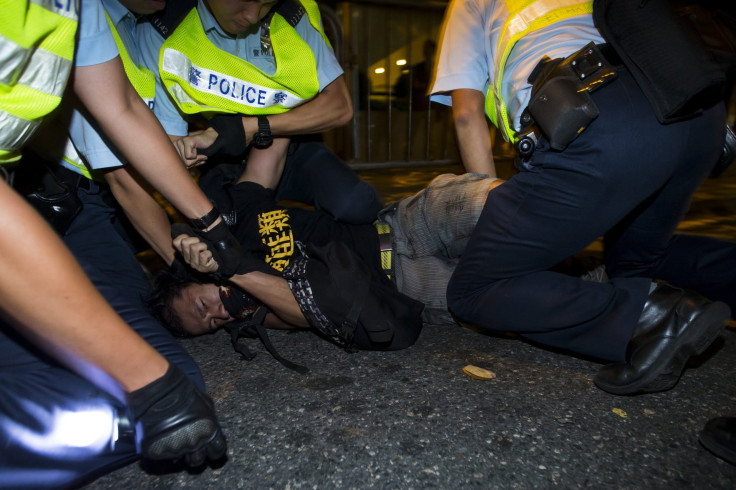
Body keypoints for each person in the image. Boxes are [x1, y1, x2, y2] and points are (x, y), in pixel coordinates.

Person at [428, 0, 736, 396]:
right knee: (637, 265)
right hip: (696, 112)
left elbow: (467, 112)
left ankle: (655, 317)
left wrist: (490, 219)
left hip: (598, 115)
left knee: (475, 290)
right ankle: (656, 300)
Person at [0, 0, 228, 487]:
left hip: (50, 199)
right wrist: (147, 380)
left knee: (162, 398)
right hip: (27, 199)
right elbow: (124, 177)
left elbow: (120, 106)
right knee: (142, 400)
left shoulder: (85, 11)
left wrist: (211, 227)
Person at [150, 174, 502, 346]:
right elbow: (307, 315)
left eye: (202, 306)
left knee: (507, 205)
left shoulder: (238, 217)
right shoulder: (255, 310)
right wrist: (237, 274)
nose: (217, 315)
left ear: (192, 276)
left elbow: (268, 145)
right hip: (407, 285)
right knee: (506, 296)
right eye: (212, 323)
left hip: (399, 228)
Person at [148, 0, 382, 224]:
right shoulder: (166, 25)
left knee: (357, 205)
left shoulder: (294, 12)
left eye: (268, 3)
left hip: (293, 143)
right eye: (245, 0)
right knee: (221, 229)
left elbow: (340, 106)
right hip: (221, 153)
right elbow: (174, 147)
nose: (252, 16)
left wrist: (255, 127)